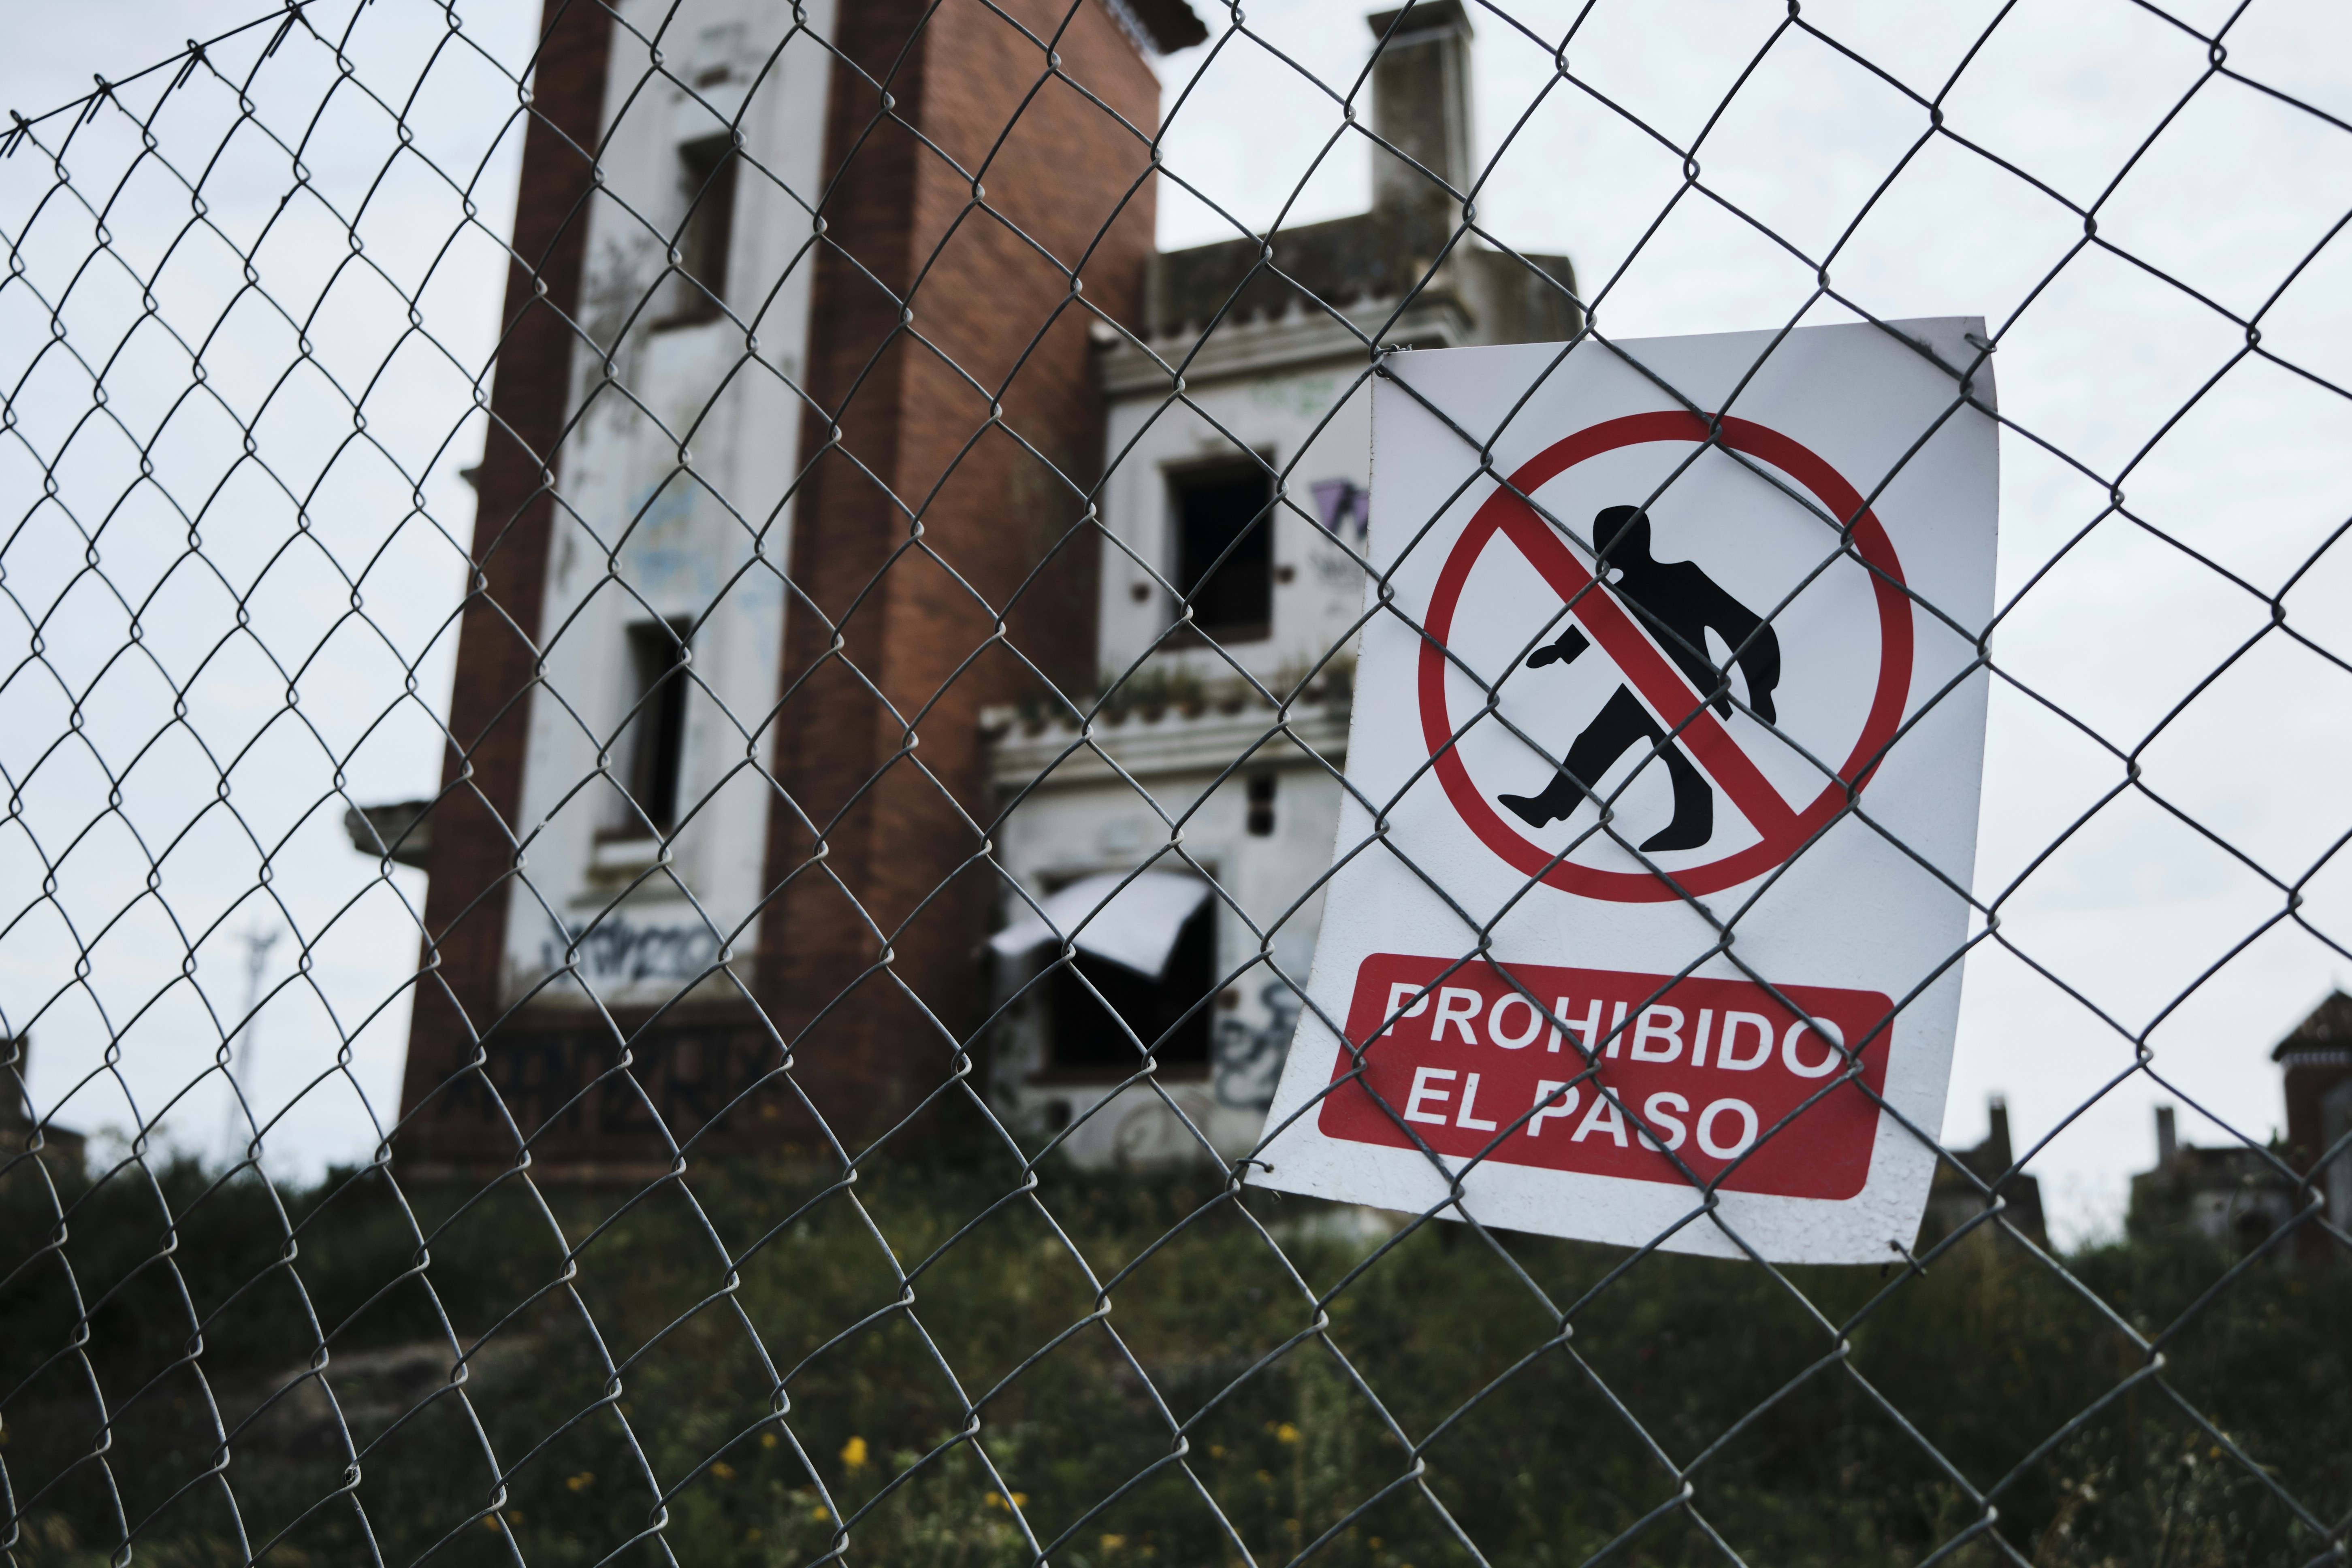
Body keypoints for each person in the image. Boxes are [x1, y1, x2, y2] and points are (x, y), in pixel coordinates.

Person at [1497, 505, 1781, 853]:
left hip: (1694, 690)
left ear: (1633, 540)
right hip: (1642, 690)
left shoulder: (1682, 578)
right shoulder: (1618, 593)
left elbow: (1746, 628)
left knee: (1683, 757)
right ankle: (1549, 807)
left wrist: (1762, 691)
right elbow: (1592, 625)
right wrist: (1559, 650)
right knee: (1593, 742)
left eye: (1608, 541)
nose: (1601, 551)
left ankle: (1692, 825)